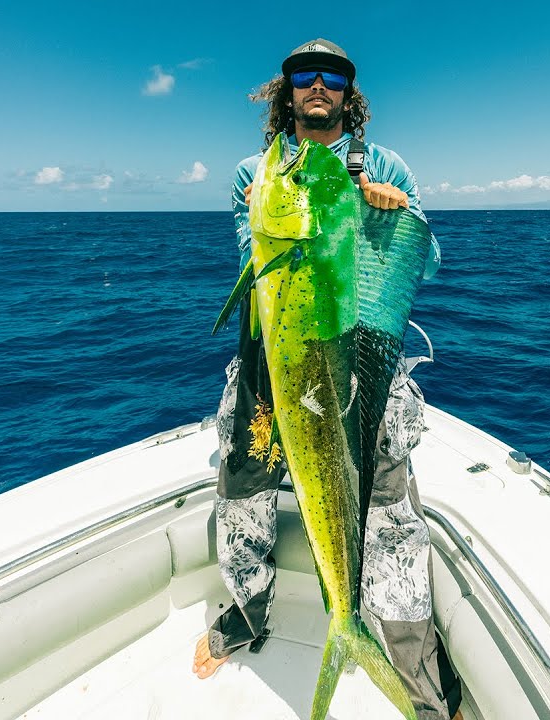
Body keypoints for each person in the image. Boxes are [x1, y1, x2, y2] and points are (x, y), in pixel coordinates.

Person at [192, 39, 461, 720]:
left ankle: (416, 676)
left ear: (348, 91)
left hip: (363, 362)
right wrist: (265, 213)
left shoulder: (386, 163)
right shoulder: (257, 170)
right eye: (303, 75)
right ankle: (246, 617)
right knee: (242, 495)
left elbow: (426, 262)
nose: (318, 84)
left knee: (392, 517)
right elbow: (258, 276)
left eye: (333, 75)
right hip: (277, 361)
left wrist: (401, 213)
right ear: (286, 90)